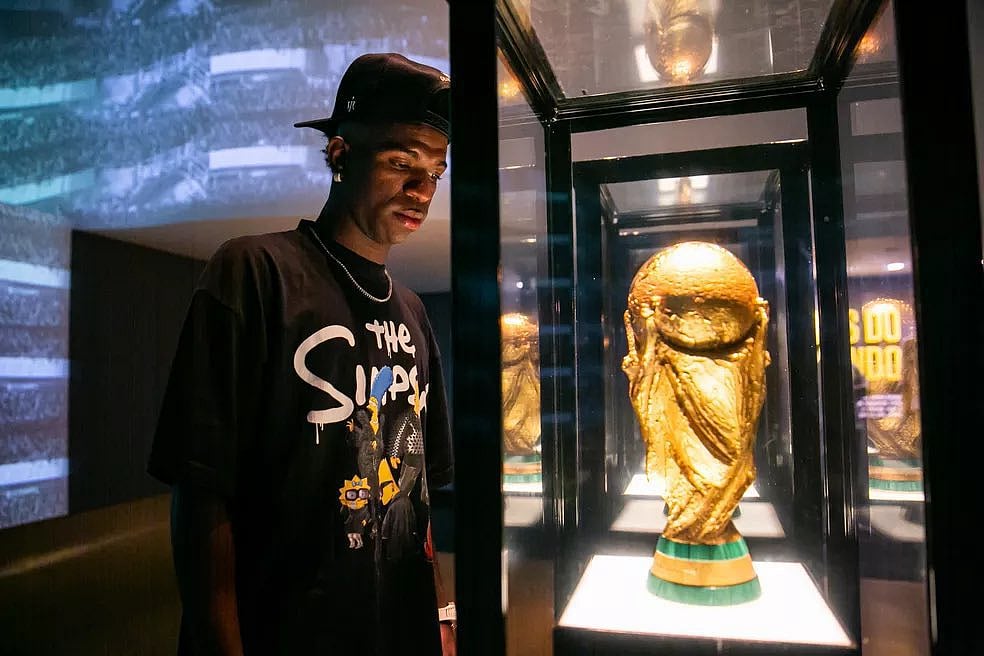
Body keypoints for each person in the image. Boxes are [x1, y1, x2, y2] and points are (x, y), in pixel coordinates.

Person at [148, 53, 455, 655]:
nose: (422, 191)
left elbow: (417, 496)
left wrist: (440, 616)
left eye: (436, 172)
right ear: (341, 155)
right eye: (402, 164)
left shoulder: (414, 311)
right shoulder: (255, 272)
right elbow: (202, 489)